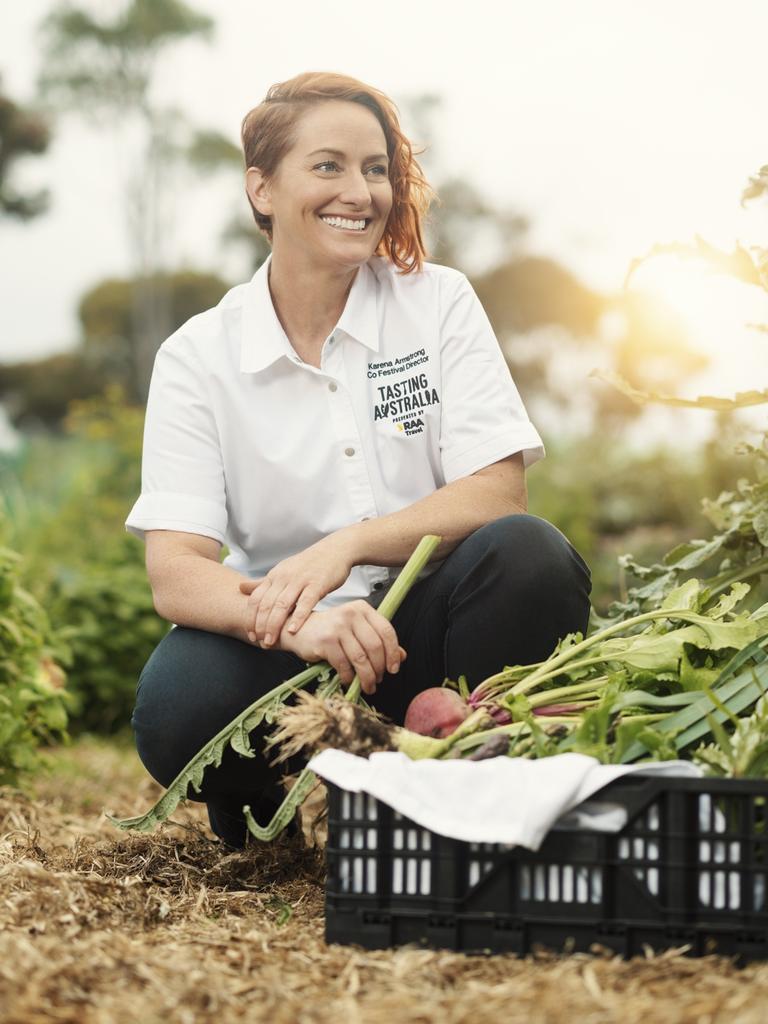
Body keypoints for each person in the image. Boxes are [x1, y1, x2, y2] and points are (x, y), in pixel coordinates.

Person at [127, 71, 593, 849]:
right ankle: (266, 800)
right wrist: (300, 623)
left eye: (377, 168)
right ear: (263, 188)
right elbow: (176, 570)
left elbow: (497, 492)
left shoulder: (438, 302)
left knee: (529, 556)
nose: (361, 190)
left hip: (429, 639)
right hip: (290, 647)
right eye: (328, 165)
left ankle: (461, 783)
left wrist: (343, 546)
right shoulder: (197, 357)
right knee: (177, 704)